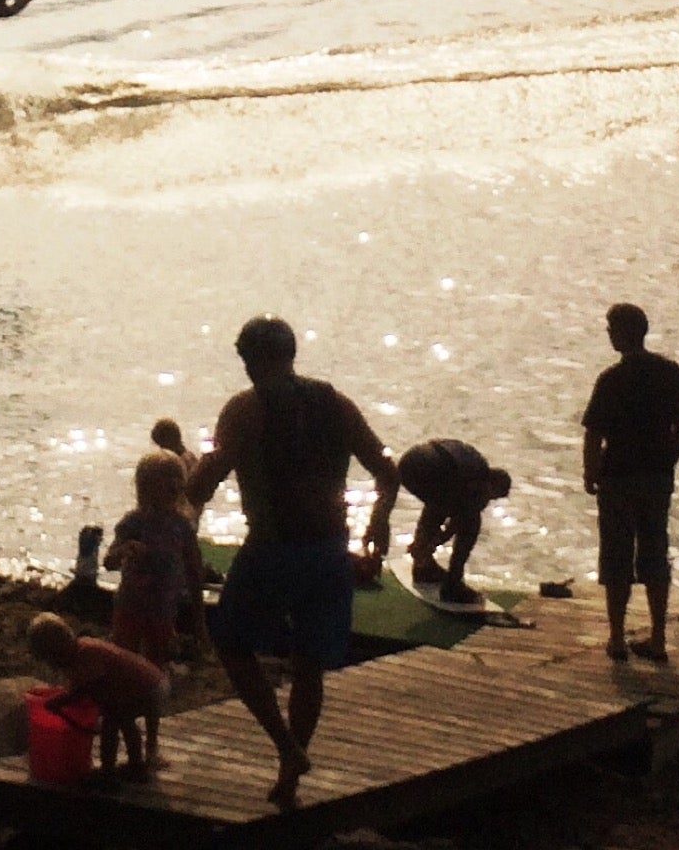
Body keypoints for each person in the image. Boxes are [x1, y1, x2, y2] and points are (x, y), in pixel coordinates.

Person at [187, 314, 400, 806]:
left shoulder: (245, 410)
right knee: (309, 666)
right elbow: (387, 472)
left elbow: (207, 479)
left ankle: (286, 746)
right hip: (329, 550)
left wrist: (188, 488)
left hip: (274, 548)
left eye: (245, 358)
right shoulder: (336, 403)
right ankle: (290, 774)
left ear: (252, 359)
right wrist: (379, 521)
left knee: (232, 644)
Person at [582, 303, 679, 664]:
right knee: (654, 554)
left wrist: (590, 472)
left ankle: (616, 638)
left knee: (617, 558)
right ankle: (658, 638)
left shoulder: (611, 379)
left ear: (624, 333)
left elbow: (594, 433)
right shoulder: (671, 373)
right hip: (656, 478)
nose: (608, 333)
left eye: (611, 328)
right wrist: (668, 462)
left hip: (618, 478)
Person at [26, 611, 168, 779]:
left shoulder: (86, 654)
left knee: (116, 720)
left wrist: (59, 701)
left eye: (50, 658)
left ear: (57, 650)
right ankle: (123, 766)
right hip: (141, 687)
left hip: (147, 689)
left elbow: (85, 688)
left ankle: (123, 768)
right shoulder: (80, 651)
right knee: (116, 719)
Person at [104, 449, 209, 673]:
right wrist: (125, 549)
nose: (172, 484)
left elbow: (193, 571)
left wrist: (199, 621)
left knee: (156, 658)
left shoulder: (182, 526)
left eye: (177, 478)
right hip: (130, 604)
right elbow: (109, 562)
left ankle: (151, 690)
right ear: (146, 487)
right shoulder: (134, 522)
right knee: (122, 655)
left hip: (163, 607)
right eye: (164, 479)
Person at [397, 439, 512, 605]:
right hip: (432, 467)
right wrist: (435, 541)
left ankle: (423, 567)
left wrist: (429, 542)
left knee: (435, 507)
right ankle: (453, 583)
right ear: (492, 485)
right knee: (472, 521)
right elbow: (459, 521)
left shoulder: (474, 468)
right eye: (493, 496)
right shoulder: (478, 479)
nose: (489, 501)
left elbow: (446, 512)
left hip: (409, 462)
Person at [150, 417, 201, 525]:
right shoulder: (191, 458)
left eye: (162, 445)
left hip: (183, 514)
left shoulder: (180, 462)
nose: (161, 449)